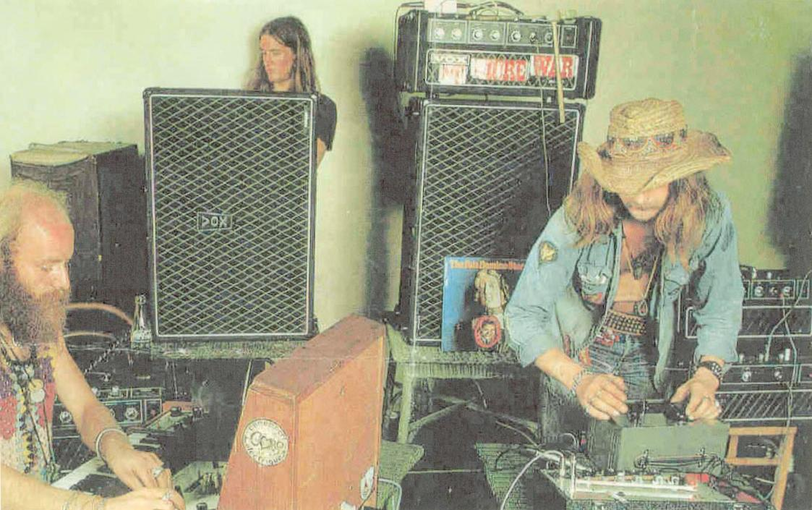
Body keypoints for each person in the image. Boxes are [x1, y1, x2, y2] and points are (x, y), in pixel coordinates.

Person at [505, 98, 743, 439]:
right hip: (578, 353)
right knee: (563, 457)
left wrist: (707, 377)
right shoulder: (579, 212)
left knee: (634, 460)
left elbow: (721, 307)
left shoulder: (710, 215)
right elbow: (522, 314)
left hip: (651, 355)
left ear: (680, 177)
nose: (640, 197)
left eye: (653, 182)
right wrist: (578, 379)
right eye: (628, 181)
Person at [0, 180, 185, 510]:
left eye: (66, 264)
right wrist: (96, 507)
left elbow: (86, 408)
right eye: (47, 267)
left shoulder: (38, 325)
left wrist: (118, 449)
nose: (63, 283)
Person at [247, 16, 337, 167]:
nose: (267, 61)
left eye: (275, 53)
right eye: (264, 53)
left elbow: (305, 169)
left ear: (296, 55)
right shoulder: (248, 103)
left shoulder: (321, 107)